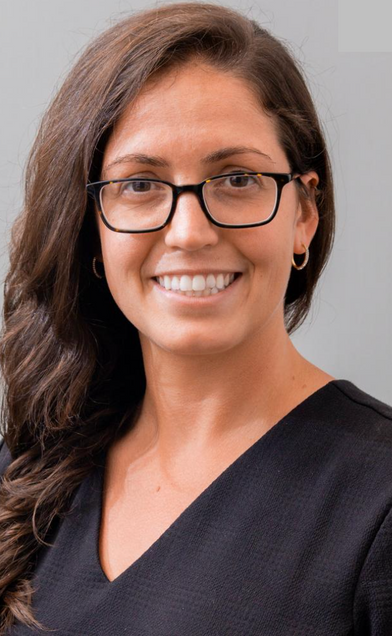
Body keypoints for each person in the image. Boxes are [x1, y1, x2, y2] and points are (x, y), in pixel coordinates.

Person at [0, 2, 391, 634]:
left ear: (304, 214)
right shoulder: (32, 470)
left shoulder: (378, 505)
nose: (190, 231)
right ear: (92, 227)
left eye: (236, 178)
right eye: (139, 185)